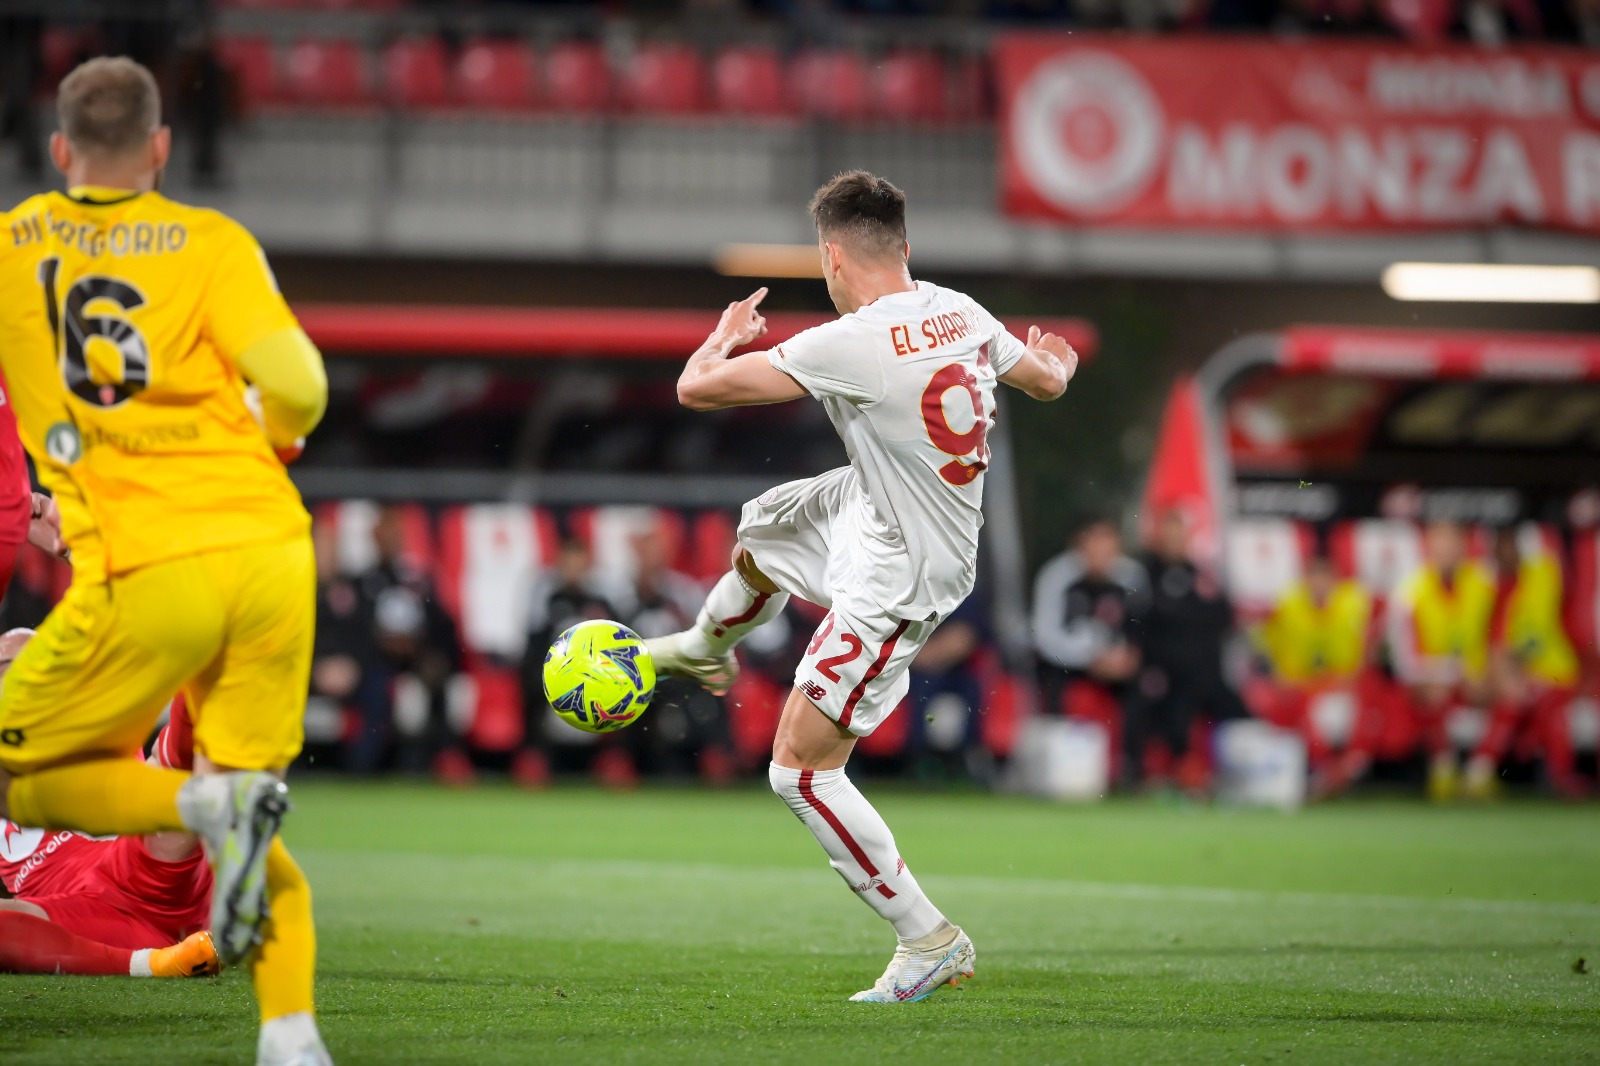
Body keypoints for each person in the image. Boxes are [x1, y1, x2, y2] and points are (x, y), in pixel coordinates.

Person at [647, 171, 1073, 1002]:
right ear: (905, 249)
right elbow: (1046, 381)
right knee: (767, 526)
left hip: (906, 572)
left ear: (831, 256)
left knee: (799, 771)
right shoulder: (962, 310)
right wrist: (1059, 364)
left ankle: (929, 939)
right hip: (878, 506)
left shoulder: (848, 342)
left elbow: (694, 390)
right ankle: (704, 648)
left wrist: (725, 336)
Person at [0, 59, 330, 1065]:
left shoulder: (21, 247)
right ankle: (291, 1037)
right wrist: (263, 435)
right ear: (162, 149)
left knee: (28, 770)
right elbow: (300, 388)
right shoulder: (214, 242)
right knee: (237, 779)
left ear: (57, 152)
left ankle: (189, 807)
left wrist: (58, 487)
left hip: (148, 561)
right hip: (270, 548)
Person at [0, 629, 217, 979]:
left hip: (143, 867)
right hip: (78, 913)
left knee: (176, 770)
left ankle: (222, 643)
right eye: (8, 665)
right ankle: (156, 964)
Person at [1132, 508, 1251, 793]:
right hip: (1162, 672)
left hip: (1205, 672)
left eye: (1179, 533)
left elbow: (1223, 617)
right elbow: (1141, 623)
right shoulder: (1142, 576)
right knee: (1167, 710)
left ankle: (1243, 778)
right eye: (1168, 533)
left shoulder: (1204, 575)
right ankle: (1161, 776)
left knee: (1242, 715)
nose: (1174, 540)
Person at [1251, 552, 1381, 798]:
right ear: (1305, 580)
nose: (1319, 584)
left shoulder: (1356, 603)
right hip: (1302, 686)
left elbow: (1371, 649)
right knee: (1293, 702)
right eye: (1314, 577)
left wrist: (1350, 677)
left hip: (1341, 685)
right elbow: (1266, 647)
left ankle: (1347, 766)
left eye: (1325, 577)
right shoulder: (1286, 605)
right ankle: (1322, 769)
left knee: (1369, 695)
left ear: (1336, 580)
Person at [1465, 528, 1582, 799]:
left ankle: (1480, 771)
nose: (1506, 551)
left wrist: (1511, 662)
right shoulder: (1480, 581)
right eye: (1500, 544)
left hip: (1548, 670)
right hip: (1494, 673)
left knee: (1527, 698)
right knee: (1514, 696)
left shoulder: (1541, 574)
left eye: (1511, 543)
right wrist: (1478, 673)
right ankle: (1553, 775)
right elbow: (1470, 634)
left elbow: (1538, 632)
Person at [1030, 519, 1147, 783]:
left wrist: (1128, 656)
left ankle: (1130, 770)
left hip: (1114, 664)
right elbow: (1045, 637)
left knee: (1144, 689)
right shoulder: (1057, 577)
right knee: (1053, 687)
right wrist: (1089, 658)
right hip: (1065, 663)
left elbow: (1141, 627)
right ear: (1079, 545)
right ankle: (1059, 773)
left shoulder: (1132, 577)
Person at [1387, 520, 1496, 803]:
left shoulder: (1484, 582)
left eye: (1452, 543)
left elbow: (1498, 635)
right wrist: (1451, 673)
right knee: (1433, 694)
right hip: (1430, 681)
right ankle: (1442, 769)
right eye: (1439, 543)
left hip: (1479, 679)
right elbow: (1403, 659)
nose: (1446, 550)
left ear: (1463, 546)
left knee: (1513, 690)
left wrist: (1488, 673)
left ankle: (1480, 771)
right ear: (1428, 547)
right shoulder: (1409, 590)